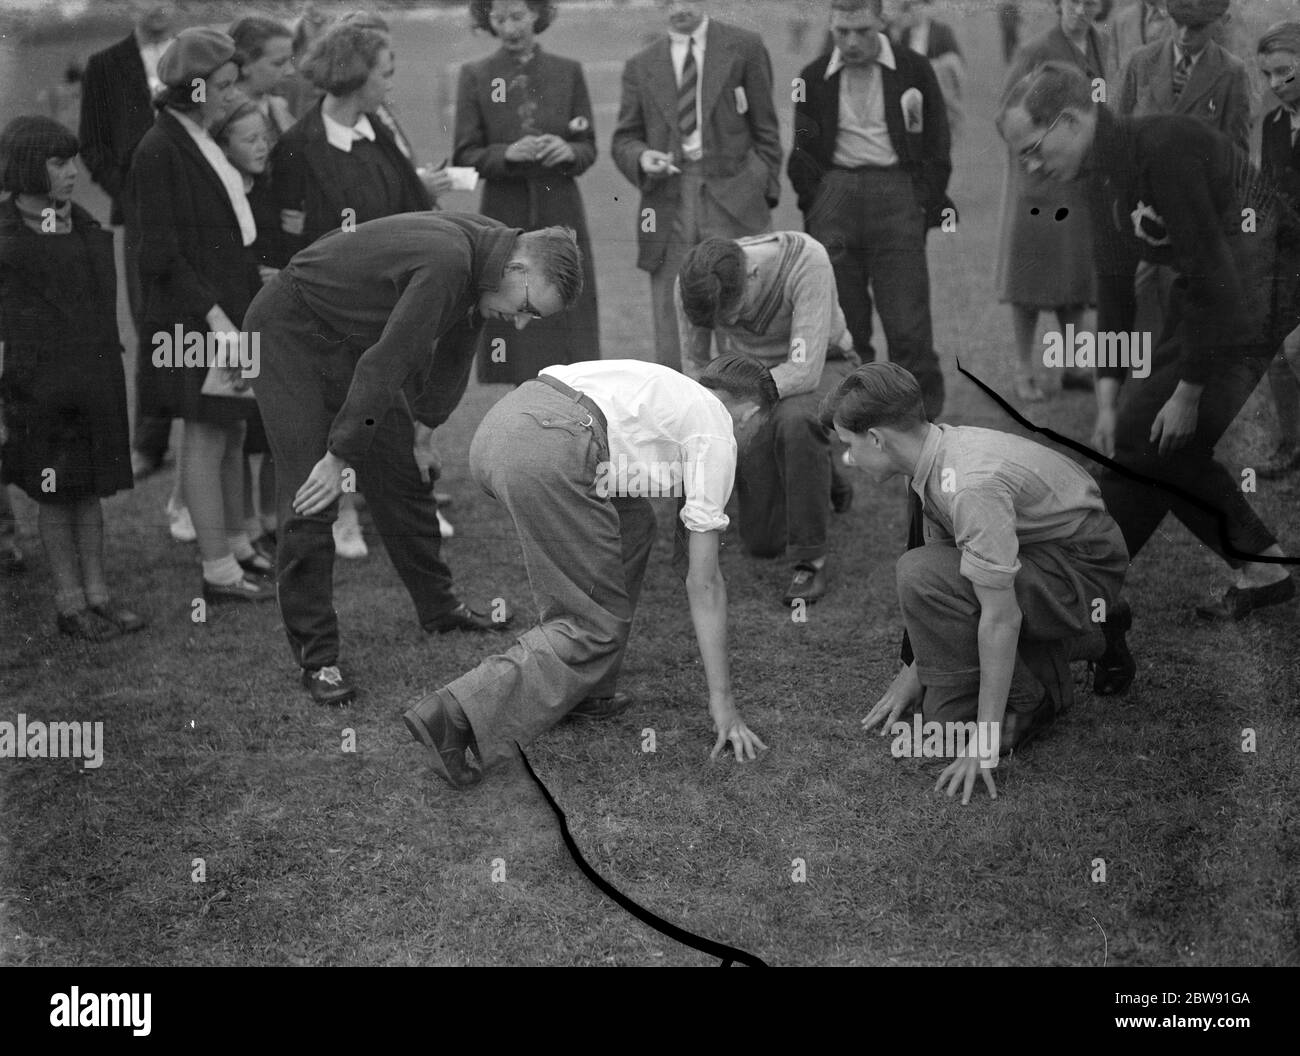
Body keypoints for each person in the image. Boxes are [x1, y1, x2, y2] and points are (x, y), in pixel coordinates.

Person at [998, 61, 1296, 622]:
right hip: (1212, 294)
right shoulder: (1099, 171)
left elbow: (1218, 273)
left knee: (1160, 436)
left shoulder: (1160, 147)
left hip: (1262, 290)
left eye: (1033, 149)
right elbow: (1114, 288)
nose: (1034, 166)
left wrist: (1188, 390)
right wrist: (1107, 396)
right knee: (1141, 435)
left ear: (1067, 121)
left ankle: (1081, 587)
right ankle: (1086, 586)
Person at [243, 213, 583, 706]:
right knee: (310, 491)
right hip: (288, 331)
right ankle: (317, 658)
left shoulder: (489, 255)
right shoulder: (451, 261)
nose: (522, 321)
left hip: (353, 341)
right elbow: (388, 362)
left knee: (403, 472)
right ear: (518, 265)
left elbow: (456, 349)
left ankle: (439, 608)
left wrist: (424, 429)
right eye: (528, 306)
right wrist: (338, 456)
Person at [402, 354, 772, 789]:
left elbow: (683, 547)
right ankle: (453, 714)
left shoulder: (670, 390)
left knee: (633, 526)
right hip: (549, 447)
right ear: (745, 411)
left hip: (504, 429)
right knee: (591, 625)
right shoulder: (715, 425)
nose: (749, 442)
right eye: (758, 430)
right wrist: (722, 702)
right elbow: (703, 581)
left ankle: (587, 687)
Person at [836, 363, 1131, 805]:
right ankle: (1087, 637)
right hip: (1041, 554)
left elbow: (999, 615)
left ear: (877, 438)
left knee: (919, 574)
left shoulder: (969, 486)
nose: (847, 458)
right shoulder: (929, 457)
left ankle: (1046, 687)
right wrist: (911, 675)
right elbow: (953, 566)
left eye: (849, 445)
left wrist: (985, 745)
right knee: (942, 726)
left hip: (1082, 566)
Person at [271, 21, 442, 559]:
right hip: (331, 313)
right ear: (355, 74)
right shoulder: (299, 146)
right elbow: (289, 239)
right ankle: (344, 515)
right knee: (338, 410)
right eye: (385, 74)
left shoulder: (377, 132)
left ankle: (408, 510)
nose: (391, 85)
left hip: (392, 307)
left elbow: (416, 207)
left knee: (395, 405)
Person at [124, 28, 276, 606]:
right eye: (223, 85)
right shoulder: (159, 149)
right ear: (193, 87)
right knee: (207, 436)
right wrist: (216, 316)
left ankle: (237, 545)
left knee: (233, 427)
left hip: (230, 314)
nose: (233, 95)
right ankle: (217, 568)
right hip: (200, 321)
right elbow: (158, 254)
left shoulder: (196, 137)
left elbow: (223, 232)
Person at [0, 116, 145, 641]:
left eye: (72, 160)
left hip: (91, 381)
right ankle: (68, 604)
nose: (72, 172)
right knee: (55, 493)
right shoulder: (6, 235)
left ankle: (99, 596)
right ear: (25, 167)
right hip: (35, 388)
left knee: (90, 492)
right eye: (58, 163)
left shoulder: (78, 221)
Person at [788, 0, 952, 421]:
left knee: (908, 322)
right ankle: (857, 420)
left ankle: (918, 421)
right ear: (831, 26)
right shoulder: (812, 76)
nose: (851, 41)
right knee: (847, 323)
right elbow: (802, 154)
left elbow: (938, 142)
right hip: (836, 197)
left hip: (896, 194)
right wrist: (818, 201)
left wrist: (921, 199)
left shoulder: (914, 68)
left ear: (881, 21)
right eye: (842, 31)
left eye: (862, 30)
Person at [677, 233, 857, 605]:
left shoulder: (807, 260)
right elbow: (694, 365)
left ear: (753, 274)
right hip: (749, 376)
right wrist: (718, 406)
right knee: (763, 544)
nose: (733, 324)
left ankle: (811, 559)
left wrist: (741, 398)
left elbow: (804, 370)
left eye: (735, 314)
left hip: (825, 365)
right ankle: (822, 469)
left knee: (795, 420)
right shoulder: (691, 285)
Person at [611, 0, 782, 371]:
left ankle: (750, 408)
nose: (679, 8)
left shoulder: (744, 46)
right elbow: (624, 138)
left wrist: (761, 187)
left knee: (741, 306)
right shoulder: (641, 65)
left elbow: (767, 129)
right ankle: (680, 411)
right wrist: (642, 157)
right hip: (669, 199)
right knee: (674, 313)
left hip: (735, 195)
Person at [454, 0, 601, 386]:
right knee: (512, 299)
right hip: (505, 214)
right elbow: (465, 154)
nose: (508, 27)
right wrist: (507, 154)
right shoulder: (476, 75)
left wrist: (569, 151)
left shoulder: (568, 72)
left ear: (537, 14)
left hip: (560, 206)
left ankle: (572, 388)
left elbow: (588, 146)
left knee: (564, 301)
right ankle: (521, 400)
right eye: (498, 18)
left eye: (517, 16)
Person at [79, 1, 177, 486]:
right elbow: (92, 144)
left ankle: (227, 430)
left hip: (203, 214)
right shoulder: (105, 66)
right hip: (142, 217)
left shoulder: (194, 56)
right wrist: (131, 194)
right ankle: (150, 443)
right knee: (154, 324)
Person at [994, 0, 1105, 402]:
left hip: (1079, 177)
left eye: (1089, 3)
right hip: (1038, 184)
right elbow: (1005, 114)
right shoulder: (1035, 51)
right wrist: (1034, 157)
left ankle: (1074, 366)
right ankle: (1025, 370)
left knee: (1072, 274)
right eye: (1072, 2)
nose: (1080, 11)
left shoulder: (1104, 46)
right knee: (1028, 281)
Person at [212, 95, 279, 566]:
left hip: (272, 320)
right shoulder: (221, 193)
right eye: (249, 138)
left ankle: (268, 522)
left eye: (265, 137)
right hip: (236, 323)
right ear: (223, 144)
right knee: (235, 426)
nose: (262, 146)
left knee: (273, 427)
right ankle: (243, 528)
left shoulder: (270, 186)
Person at [1251, 21, 1300, 478]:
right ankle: (1290, 444)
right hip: (1286, 260)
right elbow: (1267, 192)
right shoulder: (1272, 124)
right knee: (1279, 356)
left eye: (1284, 71)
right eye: (1267, 75)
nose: (1275, 84)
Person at [892, 0, 965, 141]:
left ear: (928, 8)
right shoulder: (906, 33)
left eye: (919, 6)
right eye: (912, 7)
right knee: (914, 133)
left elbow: (956, 60)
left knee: (938, 135)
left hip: (938, 92)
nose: (915, 11)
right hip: (912, 92)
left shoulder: (942, 31)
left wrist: (936, 65)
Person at [229, 15, 297, 145]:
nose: (290, 71)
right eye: (278, 63)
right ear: (245, 64)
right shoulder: (226, 118)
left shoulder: (277, 108)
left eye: (290, 61)